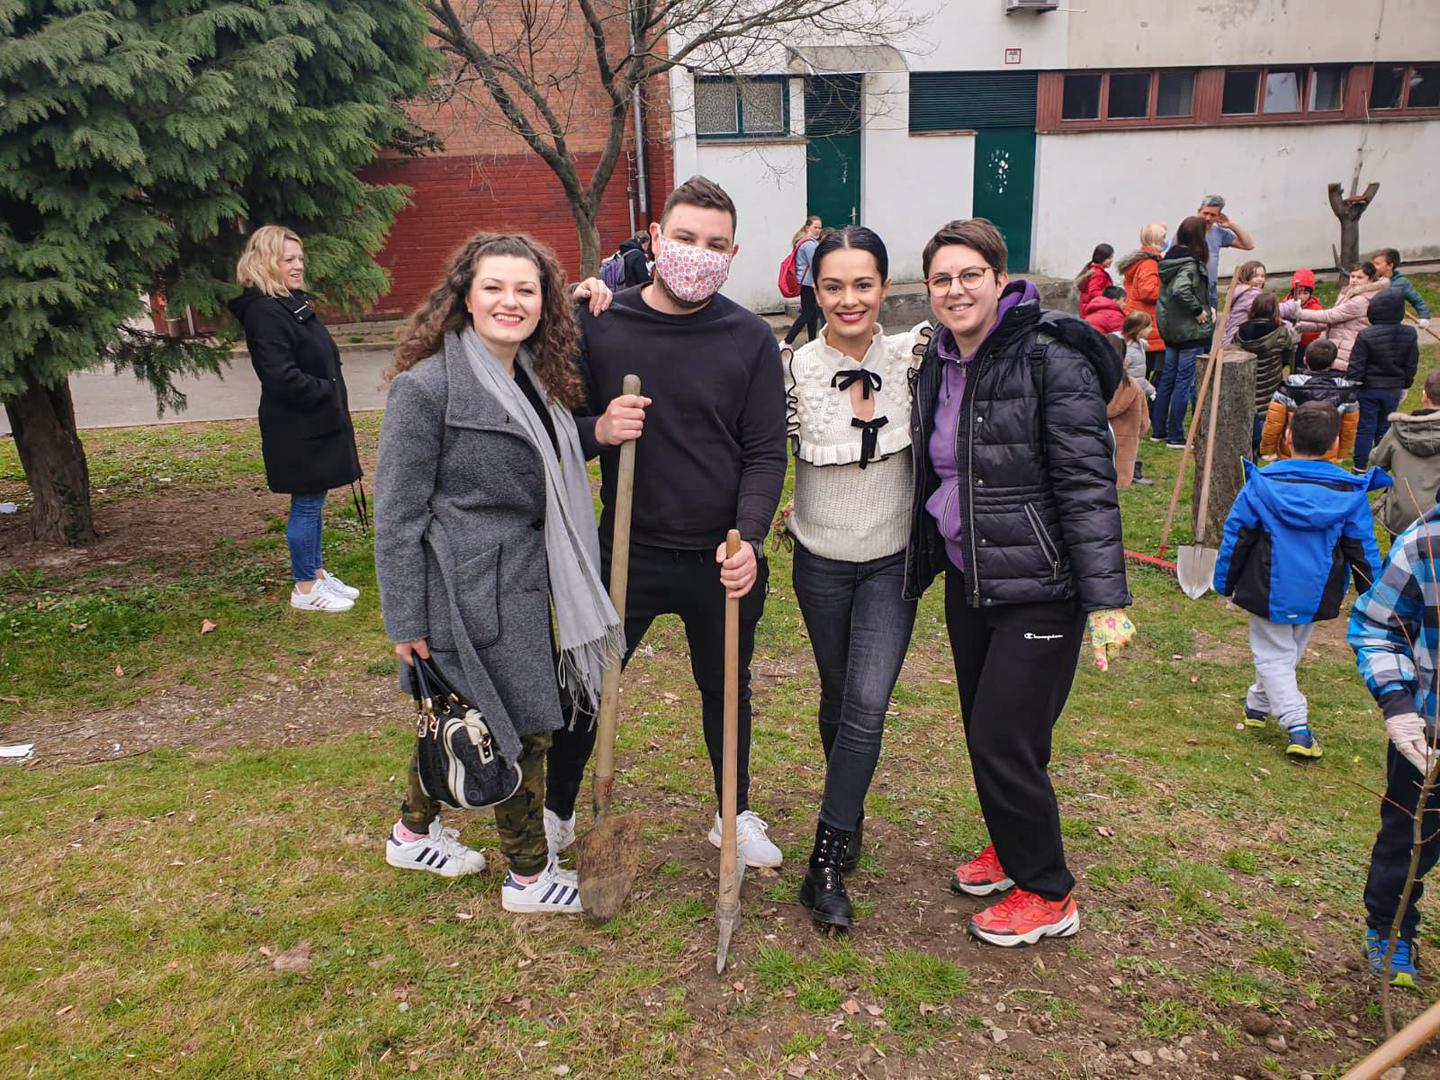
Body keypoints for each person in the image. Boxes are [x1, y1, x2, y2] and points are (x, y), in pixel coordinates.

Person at [373, 232, 623, 914]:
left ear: (545, 303)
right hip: (463, 592)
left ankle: (408, 832)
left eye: (527, 289)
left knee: (460, 717)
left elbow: (556, 453)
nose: (510, 301)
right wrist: (405, 620)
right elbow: (395, 515)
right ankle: (528, 879)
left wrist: (603, 292)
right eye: (494, 287)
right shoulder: (426, 392)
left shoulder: (533, 380)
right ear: (464, 296)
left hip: (524, 583)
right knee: (522, 727)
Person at [545, 176, 789, 869]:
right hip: (629, 550)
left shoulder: (748, 339)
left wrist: (750, 537)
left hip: (721, 556)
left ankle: (731, 814)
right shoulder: (606, 324)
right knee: (586, 683)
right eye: (684, 238)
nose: (698, 253)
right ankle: (559, 808)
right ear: (655, 239)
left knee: (727, 690)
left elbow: (767, 451)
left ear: (733, 252)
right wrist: (599, 429)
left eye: (714, 245)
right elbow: (555, 420)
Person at [905, 217, 1134, 947]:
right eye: (942, 279)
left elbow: (1087, 485)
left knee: (1005, 734)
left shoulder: (1047, 360)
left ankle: (1048, 893)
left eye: (970, 274)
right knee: (991, 733)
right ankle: (1011, 848)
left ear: (1001, 278)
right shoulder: (940, 362)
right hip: (973, 583)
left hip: (1040, 584)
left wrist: (1107, 602)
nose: (956, 289)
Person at [781, 225, 928, 931]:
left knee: (868, 705)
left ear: (884, 288)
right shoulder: (791, 368)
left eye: (862, 284)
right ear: (816, 292)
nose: (849, 299)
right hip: (820, 565)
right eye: (834, 286)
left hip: (892, 563)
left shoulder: (916, 358)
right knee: (840, 703)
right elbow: (745, 444)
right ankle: (852, 807)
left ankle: (827, 860)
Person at [1215, 401, 1387, 762]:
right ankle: (1256, 707)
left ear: (1288, 438)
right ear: (1336, 444)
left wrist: (1224, 580)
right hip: (1316, 590)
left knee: (1276, 657)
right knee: (1282, 654)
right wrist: (1376, 592)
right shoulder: (1348, 495)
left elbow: (1237, 536)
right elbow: (1363, 549)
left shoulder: (1261, 486)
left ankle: (1297, 727)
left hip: (1268, 587)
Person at [228, 225, 363, 614]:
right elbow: (279, 375)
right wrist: (327, 391)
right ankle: (305, 588)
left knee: (313, 501)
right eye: (289, 259)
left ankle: (316, 573)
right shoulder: (266, 312)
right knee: (305, 504)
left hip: (313, 421)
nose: (298, 265)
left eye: (300, 258)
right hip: (296, 426)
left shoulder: (288, 304)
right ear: (266, 262)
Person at [1350, 499, 1440, 988]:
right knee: (1408, 839)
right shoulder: (1427, 544)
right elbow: (1378, 627)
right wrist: (1399, 705)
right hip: (1427, 738)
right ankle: (1390, 926)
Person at [1151, 215, 1212, 448]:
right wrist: (1198, 310)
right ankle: (1175, 436)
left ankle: (1159, 431)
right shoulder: (1190, 262)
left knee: (1168, 378)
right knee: (1183, 382)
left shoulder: (1170, 258)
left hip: (1170, 328)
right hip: (1188, 331)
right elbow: (1180, 289)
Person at [1348, 288, 1421, 470]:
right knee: (1385, 429)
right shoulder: (1410, 334)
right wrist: (1406, 385)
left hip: (1368, 390)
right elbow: (1411, 363)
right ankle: (1382, 466)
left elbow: (1356, 366)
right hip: (1393, 389)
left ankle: (1359, 468)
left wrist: (1351, 388)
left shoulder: (1366, 335)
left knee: (1365, 428)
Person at [1258, 339, 1358, 463]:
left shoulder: (1289, 386)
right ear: (1332, 363)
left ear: (1305, 360)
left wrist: (1268, 451)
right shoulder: (1345, 391)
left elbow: (1273, 423)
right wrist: (1341, 453)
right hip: (1327, 451)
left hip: (1291, 450)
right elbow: (1349, 429)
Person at [1371, 369, 1440, 539]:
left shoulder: (1398, 430)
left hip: (1401, 515)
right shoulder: (1398, 429)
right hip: (1436, 517)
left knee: (1398, 561)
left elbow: (1377, 459)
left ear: (1424, 395)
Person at [1286, 262, 1390, 370]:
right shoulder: (1349, 294)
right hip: (1338, 347)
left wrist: (1298, 312)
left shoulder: (1361, 300)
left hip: (1347, 350)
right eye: (1352, 276)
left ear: (1370, 279)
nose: (1354, 280)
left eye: (1360, 277)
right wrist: (1301, 326)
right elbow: (1328, 323)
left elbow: (1331, 316)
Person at [1235, 291, 1299, 456]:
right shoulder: (1280, 332)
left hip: (1250, 381)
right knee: (1268, 416)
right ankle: (1267, 448)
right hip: (1271, 382)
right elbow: (1287, 356)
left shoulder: (1241, 332)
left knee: (1253, 415)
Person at [1118, 223, 1167, 384]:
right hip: (1150, 324)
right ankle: (1151, 405)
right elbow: (1147, 291)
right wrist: (1168, 291)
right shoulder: (1149, 264)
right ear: (1156, 240)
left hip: (1140, 319)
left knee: (1139, 372)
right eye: (1163, 238)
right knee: (1154, 373)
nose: (1165, 241)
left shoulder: (1141, 261)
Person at [1108, 333, 1152, 491]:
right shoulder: (1133, 386)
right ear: (1124, 359)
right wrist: (1134, 435)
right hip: (1124, 459)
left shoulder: (1091, 383)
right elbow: (1145, 423)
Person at [1196, 194, 1255, 307]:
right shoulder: (1187, 229)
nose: (1208, 218)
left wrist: (1231, 225)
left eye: (1212, 215)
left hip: (1210, 290)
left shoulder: (1219, 233)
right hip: (1192, 289)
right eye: (1205, 213)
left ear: (1218, 216)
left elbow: (1249, 245)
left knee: (1210, 323)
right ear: (1199, 211)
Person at [784, 215, 824, 346]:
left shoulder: (803, 242)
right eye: (815, 227)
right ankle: (787, 341)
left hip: (805, 282)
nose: (818, 230)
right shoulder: (810, 245)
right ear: (808, 228)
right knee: (807, 314)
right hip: (809, 283)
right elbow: (815, 265)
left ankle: (812, 341)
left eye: (820, 227)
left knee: (812, 314)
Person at [1371, 248, 1431, 330]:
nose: (1373, 267)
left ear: (1390, 265)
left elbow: (1418, 301)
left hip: (1391, 325)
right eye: (1373, 263)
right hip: (1369, 322)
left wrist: (1424, 317)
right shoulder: (1371, 280)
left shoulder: (1401, 282)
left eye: (1377, 264)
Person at [1284, 269, 1326, 371]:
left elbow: (1317, 329)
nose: (1301, 297)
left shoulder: (1316, 308)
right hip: (1286, 346)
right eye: (1298, 293)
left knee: (1300, 370)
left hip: (1305, 347)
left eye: (1305, 293)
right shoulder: (1285, 305)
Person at [1221, 260, 1267, 347]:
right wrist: (1290, 307)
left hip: (1234, 338)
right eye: (1256, 276)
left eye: (1262, 276)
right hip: (1238, 341)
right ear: (1246, 277)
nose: (1260, 279)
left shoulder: (1241, 291)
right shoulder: (1249, 294)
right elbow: (1266, 311)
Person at [1074, 243, 1114, 313]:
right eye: (1109, 258)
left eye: (1111, 257)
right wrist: (1109, 297)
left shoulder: (1093, 270)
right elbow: (1093, 292)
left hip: (1089, 308)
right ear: (1101, 258)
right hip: (1094, 310)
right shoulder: (1098, 274)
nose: (1111, 260)